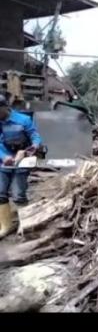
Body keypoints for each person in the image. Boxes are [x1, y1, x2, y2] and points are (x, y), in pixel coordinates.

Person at [0, 95, 42, 238]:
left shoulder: (24, 120)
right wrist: (4, 156)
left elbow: (34, 136)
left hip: (22, 159)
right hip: (4, 159)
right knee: (0, 193)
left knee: (18, 194)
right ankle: (6, 226)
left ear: (6, 107)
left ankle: (25, 225)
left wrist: (33, 146)